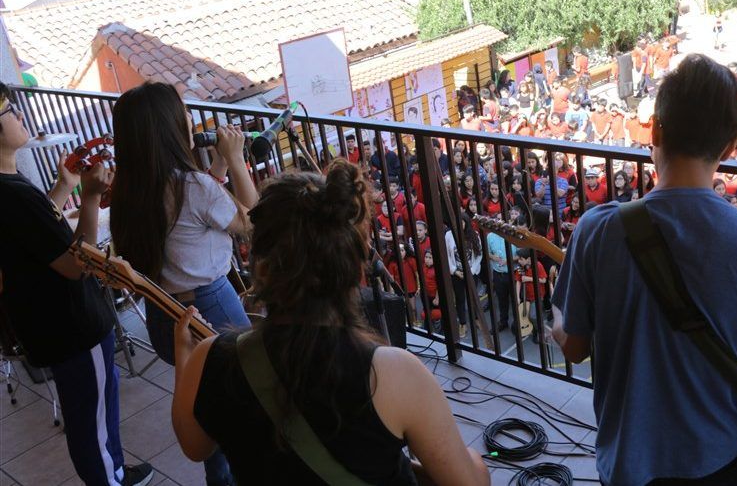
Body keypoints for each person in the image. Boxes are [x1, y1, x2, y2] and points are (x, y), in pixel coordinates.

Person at [548, 55, 737, 485]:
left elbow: (574, 347)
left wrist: (557, 312)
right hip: (721, 465)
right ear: (731, 146)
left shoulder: (597, 229)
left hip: (628, 466)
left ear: (655, 130)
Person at [171, 161, 489, 484]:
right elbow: (470, 482)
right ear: (354, 268)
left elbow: (194, 446)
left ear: (261, 271)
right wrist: (474, 459)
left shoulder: (211, 357)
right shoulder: (395, 373)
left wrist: (185, 357)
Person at [0, 84, 155, 486]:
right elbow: (74, 264)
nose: (20, 114)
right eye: (10, 109)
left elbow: (35, 233)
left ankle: (114, 470)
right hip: (71, 325)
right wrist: (89, 199)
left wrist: (65, 187)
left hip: (51, 323)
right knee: (91, 419)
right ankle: (109, 480)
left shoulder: (9, 185)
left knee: (94, 408)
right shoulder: (11, 194)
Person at [109, 82, 256, 485]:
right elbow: (253, 222)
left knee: (210, 403)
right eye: (183, 114)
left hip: (164, 315)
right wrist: (236, 160)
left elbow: (187, 225)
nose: (190, 120)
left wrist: (218, 168)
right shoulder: (194, 188)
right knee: (237, 405)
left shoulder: (128, 192)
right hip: (210, 307)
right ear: (168, 127)